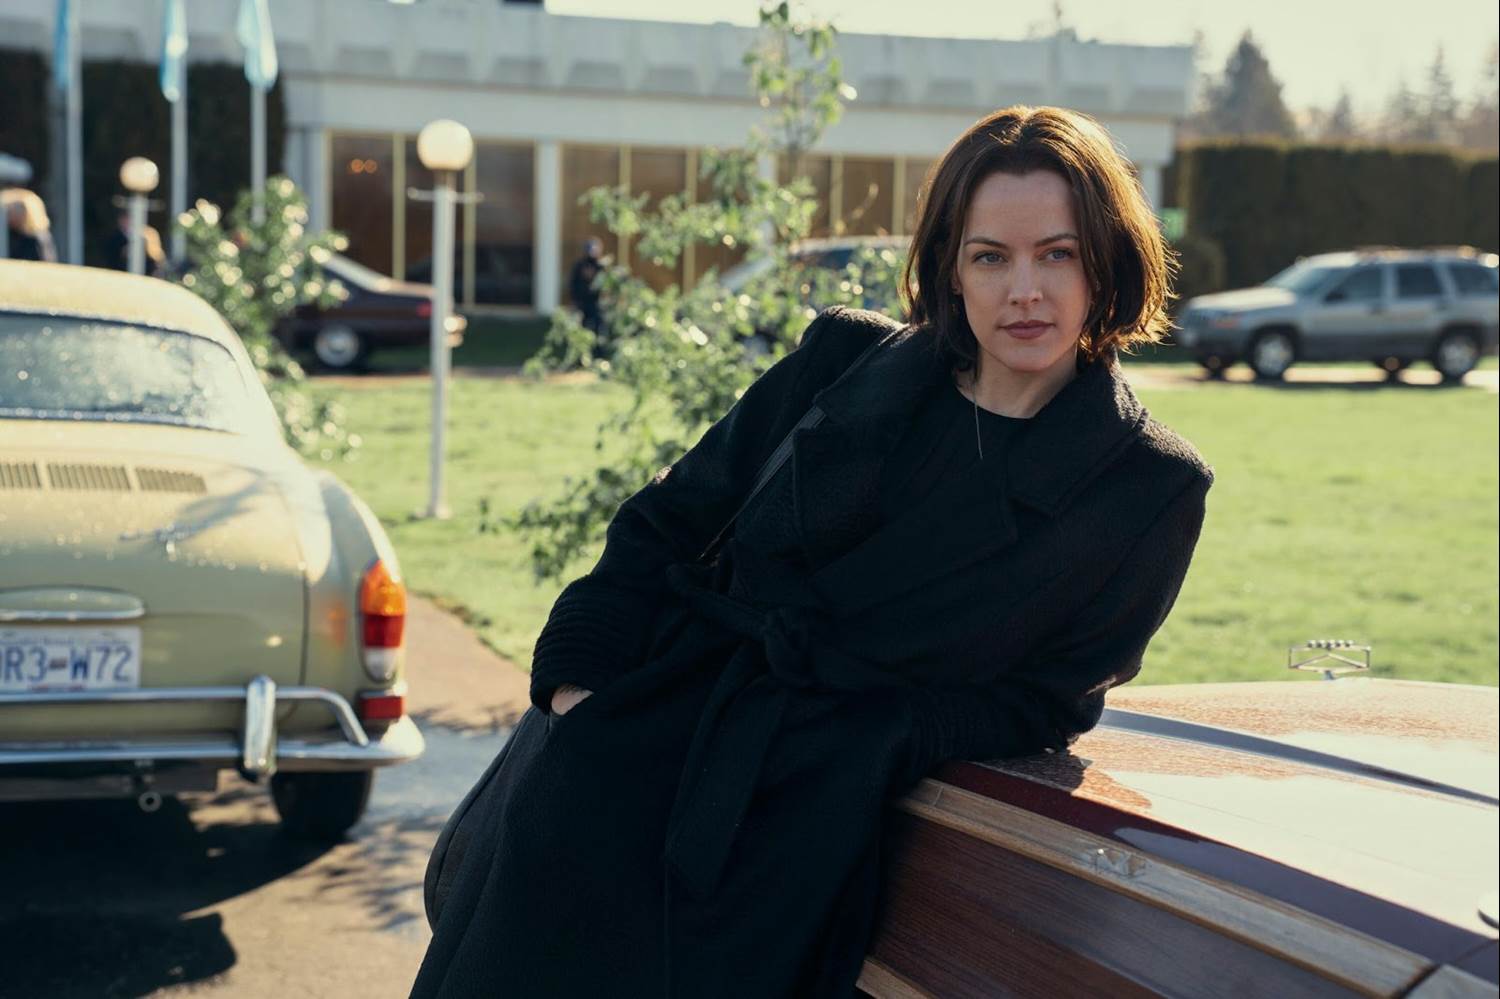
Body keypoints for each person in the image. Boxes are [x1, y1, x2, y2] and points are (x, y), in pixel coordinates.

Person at [415, 105, 1212, 998]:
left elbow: (1048, 699)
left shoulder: (1148, 487)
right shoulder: (845, 362)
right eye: (991, 256)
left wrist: (885, 737)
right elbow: (665, 521)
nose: (1024, 289)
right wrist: (577, 690)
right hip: (621, 758)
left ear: (1107, 260)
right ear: (951, 268)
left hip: (799, 829)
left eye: (1056, 254)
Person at [2, 189, 57, 263]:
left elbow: (46, 263)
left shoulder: (38, 239)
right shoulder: (6, 235)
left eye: (15, 210)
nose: (10, 215)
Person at [568, 236, 605, 335]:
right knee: (582, 329)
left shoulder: (601, 266)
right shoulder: (579, 265)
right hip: (582, 303)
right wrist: (574, 300)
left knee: (599, 328)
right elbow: (573, 284)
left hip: (596, 303)